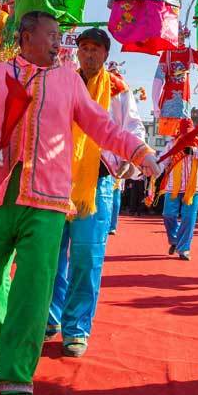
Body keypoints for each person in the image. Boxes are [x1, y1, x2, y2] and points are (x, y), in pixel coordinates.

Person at [0, 11, 160, 395]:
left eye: (58, 37)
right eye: (51, 35)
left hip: (47, 198)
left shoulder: (68, 80)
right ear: (26, 36)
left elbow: (101, 125)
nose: (58, 43)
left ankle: (17, 372)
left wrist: (140, 152)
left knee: (34, 287)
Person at [46, 28, 145, 358]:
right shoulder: (64, 82)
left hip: (98, 182)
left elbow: (131, 127)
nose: (88, 54)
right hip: (59, 181)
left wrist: (130, 158)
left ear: (105, 54)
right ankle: (50, 317)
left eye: (95, 49)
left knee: (87, 256)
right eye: (84, 48)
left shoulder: (117, 89)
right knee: (51, 253)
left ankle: (76, 328)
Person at [159, 119, 198, 260]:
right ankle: (174, 239)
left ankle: (183, 249)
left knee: (188, 218)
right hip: (173, 187)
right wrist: (152, 170)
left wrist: (195, 151)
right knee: (168, 214)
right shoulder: (173, 144)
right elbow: (162, 161)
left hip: (193, 189)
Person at [151, 27, 198, 136]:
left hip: (184, 95)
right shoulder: (167, 53)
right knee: (170, 133)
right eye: (178, 37)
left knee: (184, 127)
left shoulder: (189, 52)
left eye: (182, 37)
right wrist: (155, 101)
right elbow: (158, 78)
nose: (180, 39)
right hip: (169, 94)